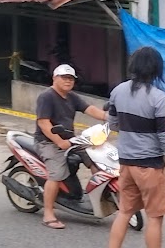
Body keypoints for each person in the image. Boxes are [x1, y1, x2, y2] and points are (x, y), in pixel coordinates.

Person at [101, 47, 165, 248]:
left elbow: (113, 123)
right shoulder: (159, 98)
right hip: (149, 167)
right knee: (155, 217)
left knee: (124, 212)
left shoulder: (118, 91)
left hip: (126, 164)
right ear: (156, 69)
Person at [34, 63, 109, 229]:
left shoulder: (71, 97)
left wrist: (108, 116)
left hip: (70, 139)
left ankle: (98, 197)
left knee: (96, 158)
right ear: (55, 78)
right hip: (47, 141)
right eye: (64, 77)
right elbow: (44, 123)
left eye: (71, 78)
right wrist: (59, 141)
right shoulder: (46, 96)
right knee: (57, 174)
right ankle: (48, 214)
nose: (68, 81)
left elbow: (89, 109)